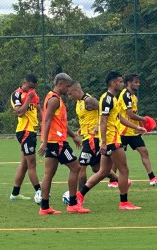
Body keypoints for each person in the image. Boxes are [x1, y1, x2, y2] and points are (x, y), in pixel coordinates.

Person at [76, 71, 146, 210]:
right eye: (120, 82)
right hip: (111, 139)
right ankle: (124, 203)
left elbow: (119, 117)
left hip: (111, 138)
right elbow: (103, 121)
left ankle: (79, 195)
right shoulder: (107, 99)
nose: (122, 84)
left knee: (103, 172)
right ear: (113, 83)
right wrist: (103, 142)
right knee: (124, 170)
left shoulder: (112, 99)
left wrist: (136, 127)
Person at [37, 73, 90, 215]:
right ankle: (73, 204)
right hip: (57, 142)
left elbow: (58, 122)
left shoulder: (52, 97)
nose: (68, 89)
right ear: (60, 84)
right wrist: (44, 142)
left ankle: (44, 206)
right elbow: (47, 121)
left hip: (55, 141)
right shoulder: (54, 100)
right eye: (66, 86)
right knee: (76, 168)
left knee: (49, 174)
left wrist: (73, 136)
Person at [67, 81, 125, 190]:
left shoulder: (89, 100)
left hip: (92, 139)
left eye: (70, 94)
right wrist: (81, 129)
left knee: (80, 167)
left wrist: (98, 124)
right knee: (97, 168)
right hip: (87, 137)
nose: (69, 97)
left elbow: (103, 111)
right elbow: (88, 117)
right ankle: (122, 181)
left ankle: (79, 196)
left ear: (76, 90)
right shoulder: (78, 102)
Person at [117, 73, 157, 186]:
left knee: (144, 152)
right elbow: (130, 114)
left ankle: (152, 178)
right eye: (136, 82)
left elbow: (134, 113)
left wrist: (141, 126)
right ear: (129, 83)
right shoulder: (126, 95)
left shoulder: (133, 97)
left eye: (138, 82)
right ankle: (113, 180)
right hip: (123, 131)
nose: (138, 84)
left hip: (133, 132)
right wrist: (144, 119)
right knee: (118, 157)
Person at [9, 74, 42, 201]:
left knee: (24, 164)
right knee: (31, 163)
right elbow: (19, 112)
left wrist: (43, 123)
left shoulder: (33, 94)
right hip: (24, 131)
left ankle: (15, 194)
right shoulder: (16, 95)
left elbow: (38, 110)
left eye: (33, 87)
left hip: (31, 131)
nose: (31, 89)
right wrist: (28, 99)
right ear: (25, 82)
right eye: (29, 86)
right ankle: (39, 191)